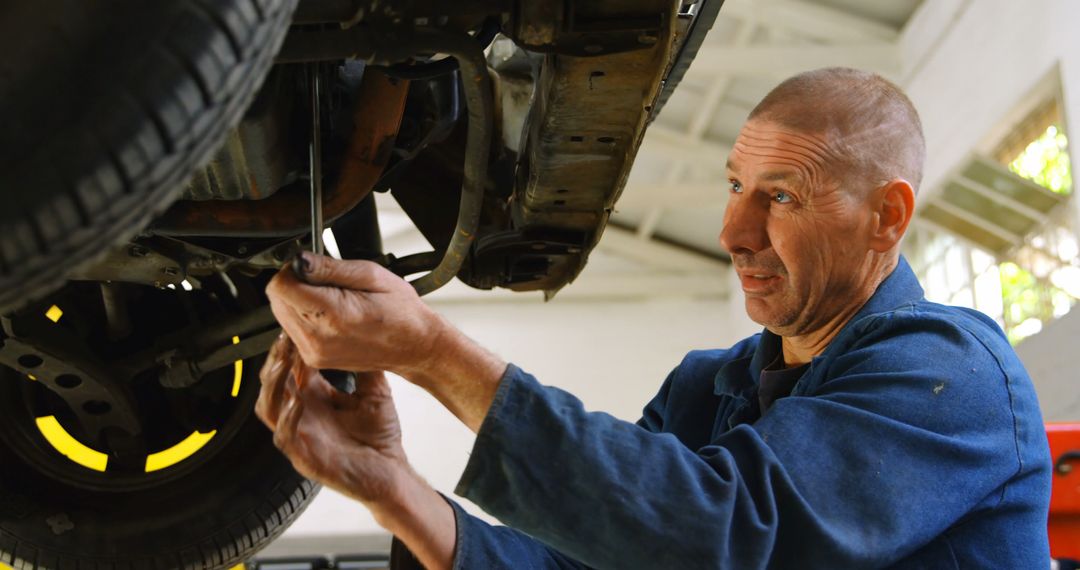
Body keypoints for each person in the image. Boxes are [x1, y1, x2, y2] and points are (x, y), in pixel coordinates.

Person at [255, 67, 1051, 568]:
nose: (734, 234)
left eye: (780, 196)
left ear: (887, 217)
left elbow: (730, 535)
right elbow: (593, 559)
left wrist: (436, 356)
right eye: (735, 187)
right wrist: (391, 487)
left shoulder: (950, 372)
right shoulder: (709, 389)